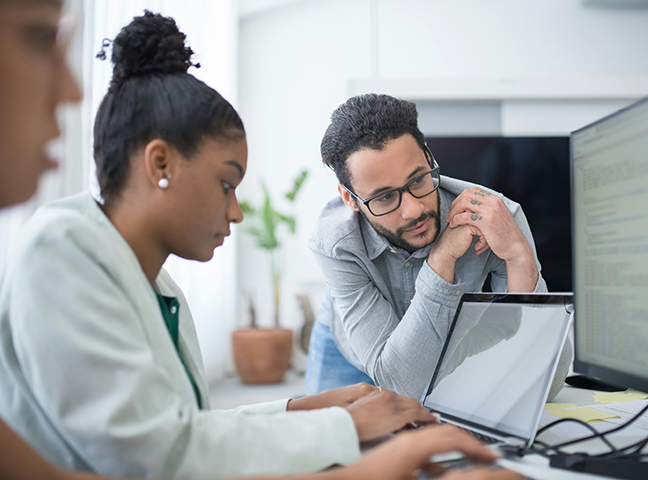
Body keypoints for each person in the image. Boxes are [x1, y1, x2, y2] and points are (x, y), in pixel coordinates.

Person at [0, 7, 522, 480]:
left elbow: (186, 429)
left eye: (416, 182)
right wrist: (359, 445)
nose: (236, 210)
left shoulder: (154, 283)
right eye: (227, 183)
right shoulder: (63, 247)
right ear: (160, 164)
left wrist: (309, 410)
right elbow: (159, 458)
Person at [305, 93, 572, 401]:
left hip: (450, 347)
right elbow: (401, 386)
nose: (414, 210)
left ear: (429, 156)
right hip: (353, 353)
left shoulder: (497, 218)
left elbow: (546, 387)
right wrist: (441, 259)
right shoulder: (335, 244)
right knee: (333, 441)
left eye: (418, 179)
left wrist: (519, 255)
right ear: (350, 198)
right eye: (385, 197)